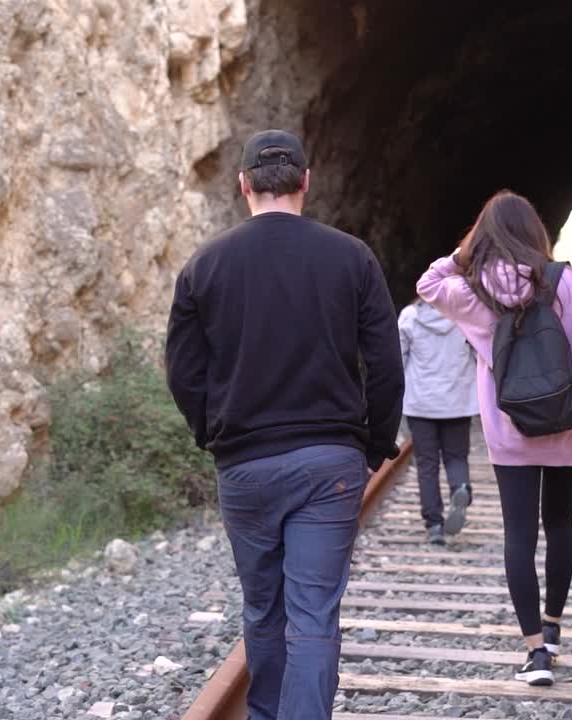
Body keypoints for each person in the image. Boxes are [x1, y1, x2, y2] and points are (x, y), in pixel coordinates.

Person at [165, 129, 403, 720]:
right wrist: (373, 445)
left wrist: (213, 435)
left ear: (243, 184)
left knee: (263, 610)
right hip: (330, 464)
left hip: (244, 465)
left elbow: (183, 371)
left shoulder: (205, 265)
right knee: (314, 615)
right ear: (306, 182)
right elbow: (385, 364)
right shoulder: (352, 258)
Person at [415, 190, 572, 686]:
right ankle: (555, 628)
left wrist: (464, 252)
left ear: (486, 236)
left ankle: (534, 652)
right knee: (560, 524)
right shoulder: (565, 281)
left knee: (519, 536)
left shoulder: (470, 290)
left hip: (510, 430)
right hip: (569, 425)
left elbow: (428, 282)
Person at [398, 299, 478, 545]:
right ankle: (460, 488)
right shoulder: (466, 316)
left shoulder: (409, 316)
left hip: (421, 402)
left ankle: (434, 524)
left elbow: (398, 357)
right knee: (456, 457)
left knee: (427, 465)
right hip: (457, 401)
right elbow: (480, 354)